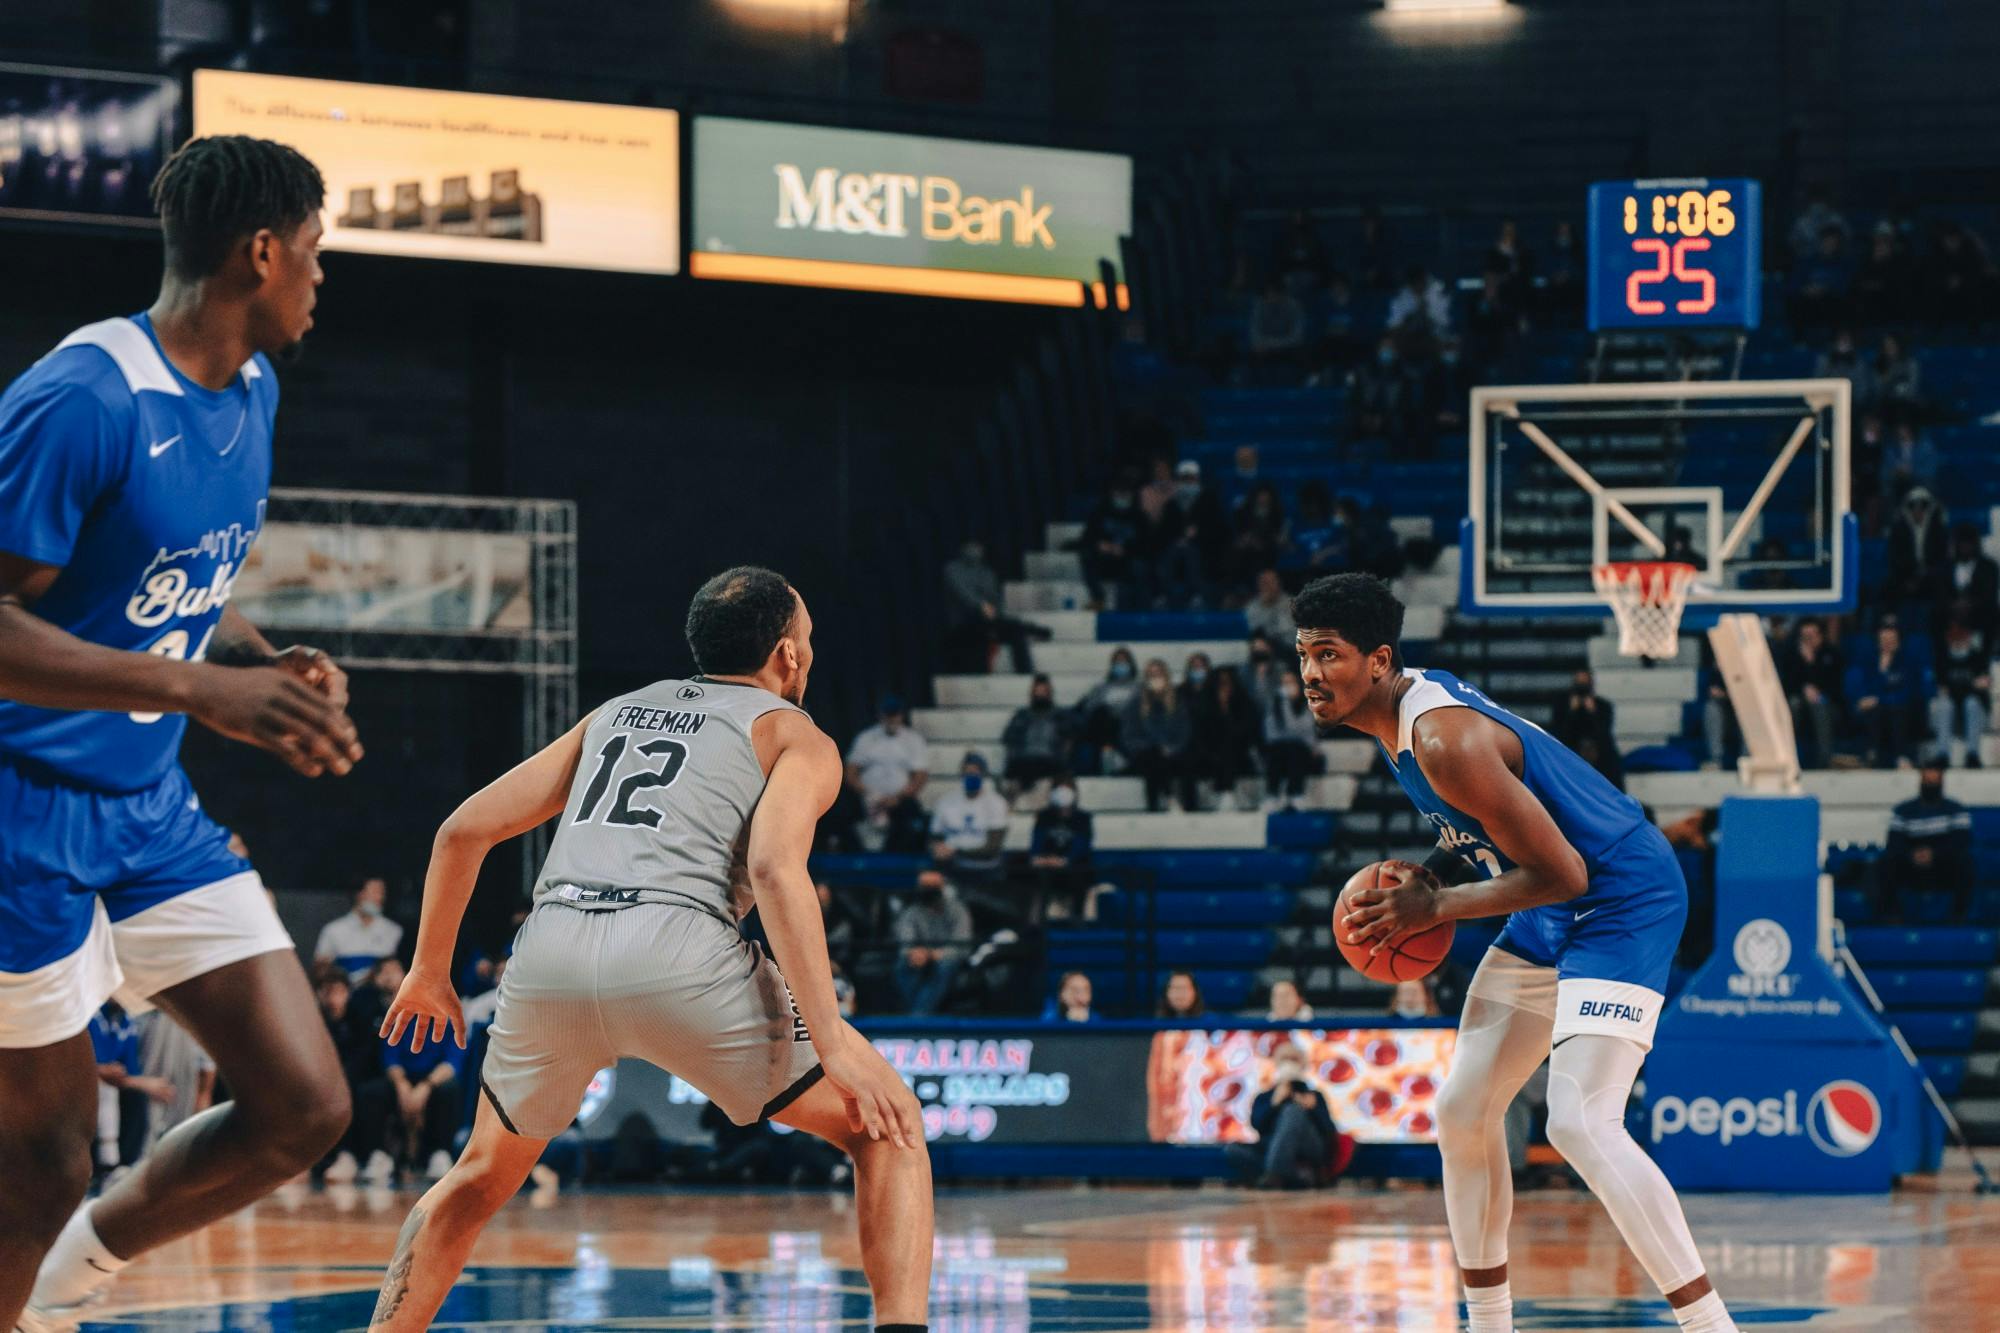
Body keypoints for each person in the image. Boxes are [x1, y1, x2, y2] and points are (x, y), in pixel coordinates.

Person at [0, 136, 368, 1331]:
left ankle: (71, 1280)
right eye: (315, 252)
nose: (323, 277)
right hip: (20, 808)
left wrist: (261, 665)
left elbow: (173, 576)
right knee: (41, 1161)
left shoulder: (252, 386)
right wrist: (202, 695)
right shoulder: (82, 398)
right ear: (261, 253)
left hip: (146, 808)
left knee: (304, 1105)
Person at [364, 566, 929, 1331]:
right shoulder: (796, 733)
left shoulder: (616, 713)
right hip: (679, 945)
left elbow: (462, 830)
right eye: (810, 640)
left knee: (477, 1175)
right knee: (886, 1126)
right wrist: (833, 1040)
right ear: (789, 656)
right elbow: (771, 866)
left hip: (552, 944)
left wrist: (431, 971)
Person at [1297, 573, 1740, 1333]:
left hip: (1619, 896)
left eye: (1328, 655)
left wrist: (1433, 905)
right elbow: (1492, 834)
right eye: (1303, 655)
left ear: (1378, 660)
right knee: (1463, 1109)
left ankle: (1711, 1327)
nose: (1310, 673)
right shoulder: (1401, 723)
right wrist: (1433, 876)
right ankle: (1489, 1323)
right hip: (1543, 904)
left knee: (1579, 1120)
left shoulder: (1441, 737)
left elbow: (1565, 871)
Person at [1223, 1044, 1348, 1190]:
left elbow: (1329, 1132)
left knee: (1292, 1111)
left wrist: (1314, 1110)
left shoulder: (1314, 1096)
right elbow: (1257, 1127)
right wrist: (1273, 1104)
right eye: (1285, 1059)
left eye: (1293, 1059)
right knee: (1232, 1150)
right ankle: (1296, 1177)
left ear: (1302, 1064)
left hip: (1309, 1149)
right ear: (1277, 1063)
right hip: (1271, 1148)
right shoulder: (1265, 1097)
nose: (1289, 1063)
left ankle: (1274, 1174)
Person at [315, 965, 395, 1187]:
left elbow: (366, 1056)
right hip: (329, 1082)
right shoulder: (316, 1022)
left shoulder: (362, 1016)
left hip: (362, 1080)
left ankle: (370, 1155)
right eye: (328, 991)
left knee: (366, 1092)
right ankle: (329, 1157)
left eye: (338, 991)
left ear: (347, 993)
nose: (333, 998)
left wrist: (342, 1079)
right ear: (320, 994)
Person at [1880, 757, 1974, 919]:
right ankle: (1892, 917)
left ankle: (1959, 916)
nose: (1930, 784)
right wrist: (1912, 854)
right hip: (1911, 865)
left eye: (1934, 780)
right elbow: (1894, 842)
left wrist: (1934, 854)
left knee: (1966, 863)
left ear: (1941, 782)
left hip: (1943, 865)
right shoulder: (1904, 810)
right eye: (1927, 780)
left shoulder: (1956, 809)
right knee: (1885, 863)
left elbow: (1961, 841)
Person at [940, 538, 1048, 675]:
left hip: (989, 621)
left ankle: (1026, 673)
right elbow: (964, 594)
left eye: (978, 546)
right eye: (972, 546)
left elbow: (995, 598)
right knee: (983, 633)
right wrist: (982, 606)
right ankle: (1030, 629)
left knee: (1015, 633)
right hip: (964, 623)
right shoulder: (952, 569)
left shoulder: (987, 573)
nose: (976, 550)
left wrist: (996, 612)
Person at [844, 695, 931, 853]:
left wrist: (897, 798)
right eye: (888, 715)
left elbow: (920, 776)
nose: (892, 719)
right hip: (868, 798)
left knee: (912, 817)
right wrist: (869, 795)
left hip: (899, 800)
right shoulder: (866, 738)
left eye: (895, 714)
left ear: (901, 715)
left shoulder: (913, 739)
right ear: (881, 715)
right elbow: (851, 772)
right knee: (843, 812)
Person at [382, 1022, 464, 1182]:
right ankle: (380, 1155)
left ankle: (440, 1153)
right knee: (374, 1090)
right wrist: (401, 1084)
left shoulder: (450, 1022)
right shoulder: (400, 1017)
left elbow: (452, 1064)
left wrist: (426, 1086)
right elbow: (390, 1059)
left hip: (433, 1080)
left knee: (450, 1089)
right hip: (404, 1079)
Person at [1846, 620, 1934, 770]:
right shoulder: (1869, 661)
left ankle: (1901, 756)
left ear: (1898, 642)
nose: (1887, 644)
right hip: (1876, 710)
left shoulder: (1907, 662)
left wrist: (1880, 699)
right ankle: (1871, 755)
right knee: (1874, 711)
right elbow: (1862, 687)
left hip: (1901, 708)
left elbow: (1908, 692)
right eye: (1884, 640)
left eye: (1891, 640)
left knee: (1896, 710)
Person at [1120, 659, 1198, 813]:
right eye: (1151, 674)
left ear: (1166, 676)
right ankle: (1165, 800)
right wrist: (1151, 746)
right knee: (1154, 758)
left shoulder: (1177, 702)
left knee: (1187, 760)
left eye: (1158, 674)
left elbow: (1184, 731)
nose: (1155, 678)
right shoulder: (1135, 703)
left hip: (1172, 751)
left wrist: (1172, 748)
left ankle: (1190, 807)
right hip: (1145, 753)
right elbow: (1129, 735)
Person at [893, 868, 973, 1016]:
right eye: (924, 886)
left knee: (945, 965)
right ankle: (917, 1014)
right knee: (904, 964)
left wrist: (932, 954)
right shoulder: (911, 912)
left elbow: (962, 946)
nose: (928, 891)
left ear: (942, 887)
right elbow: (905, 944)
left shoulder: (958, 910)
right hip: (921, 957)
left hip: (948, 957)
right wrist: (914, 953)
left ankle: (917, 1019)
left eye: (932, 887)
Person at [929, 752, 1010, 882]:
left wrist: (956, 851)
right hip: (955, 866)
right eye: (966, 772)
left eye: (975, 772)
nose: (970, 776)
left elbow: (993, 847)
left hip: (986, 868)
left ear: (983, 774)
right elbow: (935, 835)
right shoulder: (946, 801)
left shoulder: (996, 802)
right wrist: (937, 848)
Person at [1777, 618, 1844, 770]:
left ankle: (1824, 759)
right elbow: (1787, 684)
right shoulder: (1792, 655)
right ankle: (1787, 756)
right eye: (1804, 636)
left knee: (1819, 703)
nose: (1808, 640)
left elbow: (1835, 686)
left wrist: (1812, 664)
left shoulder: (1831, 653)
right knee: (1792, 704)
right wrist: (1804, 684)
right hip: (1800, 701)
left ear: (1820, 635)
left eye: (1811, 636)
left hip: (1828, 702)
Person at [1192, 664, 1261, 810]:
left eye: (1227, 683)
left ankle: (1226, 793)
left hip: (1239, 753)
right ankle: (1224, 793)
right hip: (1209, 754)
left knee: (1227, 750)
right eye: (1221, 683)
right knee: (1220, 753)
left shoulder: (1245, 704)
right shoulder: (1204, 705)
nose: (1225, 688)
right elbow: (1201, 735)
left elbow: (1244, 732)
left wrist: (1226, 711)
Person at [1079, 471, 1150, 611]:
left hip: (1128, 559)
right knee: (1087, 554)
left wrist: (1125, 550)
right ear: (1113, 494)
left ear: (1131, 495)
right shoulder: (1100, 512)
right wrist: (1100, 544)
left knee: (1138, 566)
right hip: (1105, 558)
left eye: (1126, 494)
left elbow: (1147, 544)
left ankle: (1138, 607)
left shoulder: (1139, 516)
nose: (1122, 497)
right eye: (1119, 493)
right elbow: (1087, 537)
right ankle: (1098, 598)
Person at [1025, 776, 1095, 919]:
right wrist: (1040, 859)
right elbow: (1037, 842)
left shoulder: (1083, 818)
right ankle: (1035, 922)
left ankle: (1077, 919)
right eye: (1059, 788)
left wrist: (1065, 860)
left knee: (1080, 874)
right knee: (1036, 876)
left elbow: (1082, 845)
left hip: (1073, 866)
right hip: (1047, 865)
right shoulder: (1044, 816)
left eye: (1067, 788)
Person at [1930, 609, 1989, 769]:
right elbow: (1942, 690)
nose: (1958, 639)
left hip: (1974, 709)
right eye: (1954, 636)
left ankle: (1973, 754)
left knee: (1972, 703)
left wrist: (1960, 688)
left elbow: (1983, 685)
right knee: (1944, 704)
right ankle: (1943, 754)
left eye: (1962, 636)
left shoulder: (1978, 658)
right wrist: (1969, 686)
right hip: (1950, 709)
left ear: (1968, 637)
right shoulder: (1942, 659)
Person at [314, 877, 404, 983]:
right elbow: (319, 971)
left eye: (382, 893)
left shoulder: (394, 931)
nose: (380, 898)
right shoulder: (333, 931)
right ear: (359, 894)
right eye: (375, 892)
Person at [1072, 648, 1141, 776]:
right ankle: (1110, 755)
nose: (1120, 665)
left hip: (1128, 723)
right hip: (1104, 723)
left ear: (1131, 664)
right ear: (1112, 665)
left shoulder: (1139, 688)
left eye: (1124, 662)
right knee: (1102, 714)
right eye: (1117, 662)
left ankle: (1112, 756)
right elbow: (1089, 709)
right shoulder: (1101, 687)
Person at [1261, 671, 1323, 810]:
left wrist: (1286, 705)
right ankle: (1272, 795)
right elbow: (1271, 734)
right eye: (1284, 684)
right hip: (1279, 750)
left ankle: (1295, 793)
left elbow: (1302, 730)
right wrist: (1284, 702)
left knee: (1296, 749)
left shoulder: (1308, 705)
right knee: (1281, 749)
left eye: (1291, 683)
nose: (1287, 687)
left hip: (1300, 751)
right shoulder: (1273, 705)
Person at [1552, 670, 1624, 789]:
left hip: (1600, 753)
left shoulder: (1603, 706)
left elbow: (1604, 734)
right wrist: (1572, 712)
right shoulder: (1562, 705)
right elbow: (1561, 734)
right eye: (1579, 683)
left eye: (1585, 684)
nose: (1582, 688)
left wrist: (1593, 713)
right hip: (1570, 751)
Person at [1001, 675, 1072, 791]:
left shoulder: (1060, 716)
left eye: (1043, 690)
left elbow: (1068, 738)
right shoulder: (1022, 715)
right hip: (1025, 760)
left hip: (1051, 761)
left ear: (1049, 692)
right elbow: (1008, 737)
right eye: (1037, 690)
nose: (1040, 694)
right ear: (1032, 692)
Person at [1948, 523, 1999, 642]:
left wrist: (1969, 604)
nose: (1965, 547)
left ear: (1975, 544)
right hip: (1951, 611)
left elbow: (1989, 594)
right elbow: (1941, 592)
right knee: (1936, 614)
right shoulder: (1945, 567)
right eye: (1961, 543)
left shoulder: (1989, 567)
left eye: (1968, 543)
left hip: (1979, 611)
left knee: (1992, 613)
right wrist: (1954, 605)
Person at [1244, 568, 1292, 643]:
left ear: (1279, 584)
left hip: (1288, 647)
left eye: (1271, 582)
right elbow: (1252, 629)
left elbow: (1287, 633)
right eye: (1264, 583)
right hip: (1261, 646)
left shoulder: (1291, 604)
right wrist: (1265, 606)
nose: (1268, 586)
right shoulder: (1252, 605)